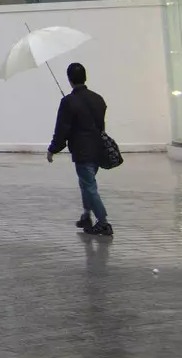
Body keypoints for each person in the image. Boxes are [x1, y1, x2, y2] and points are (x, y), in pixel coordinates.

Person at [48, 61, 113, 236]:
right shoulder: (98, 99)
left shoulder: (69, 102)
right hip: (98, 149)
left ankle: (103, 222)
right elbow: (100, 127)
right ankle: (86, 215)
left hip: (82, 151)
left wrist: (53, 149)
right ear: (85, 77)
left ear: (69, 79)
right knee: (86, 183)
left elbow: (62, 129)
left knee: (89, 186)